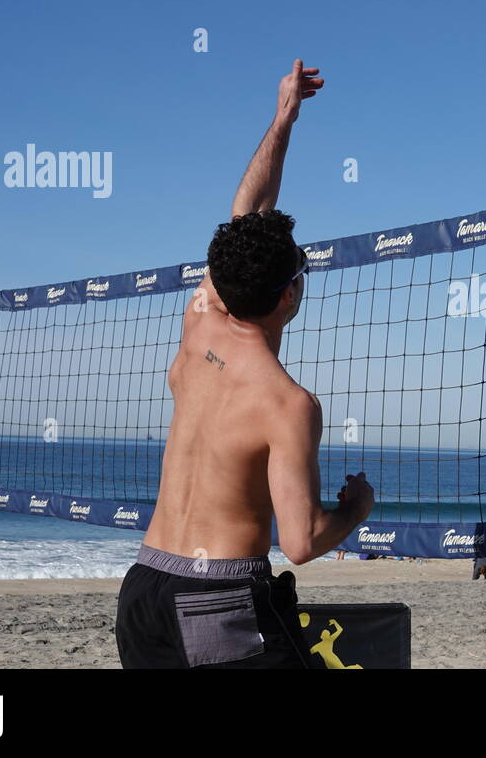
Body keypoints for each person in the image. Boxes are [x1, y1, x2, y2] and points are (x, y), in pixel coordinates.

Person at [115, 59, 375, 669]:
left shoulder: (199, 316)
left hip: (143, 585)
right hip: (216, 600)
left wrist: (283, 116)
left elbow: (245, 214)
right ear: (288, 296)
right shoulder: (287, 404)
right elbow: (303, 541)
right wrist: (356, 509)